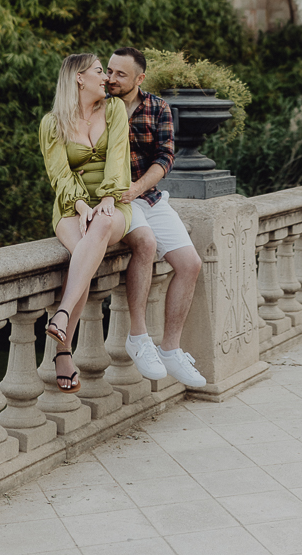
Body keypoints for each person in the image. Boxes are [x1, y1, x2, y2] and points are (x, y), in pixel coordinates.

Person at [106, 47, 206, 388]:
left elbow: (165, 157)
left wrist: (138, 188)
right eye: (109, 71)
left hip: (147, 194)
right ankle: (138, 337)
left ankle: (171, 349)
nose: (112, 79)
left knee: (191, 263)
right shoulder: (99, 104)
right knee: (145, 244)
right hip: (115, 199)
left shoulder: (157, 107)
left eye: (121, 74)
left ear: (139, 78)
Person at [39, 53, 132, 393]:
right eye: (98, 71)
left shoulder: (115, 111)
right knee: (85, 256)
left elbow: (119, 159)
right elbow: (58, 174)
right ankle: (63, 348)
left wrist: (107, 198)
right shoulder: (52, 123)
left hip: (113, 203)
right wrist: (80, 205)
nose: (105, 77)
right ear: (79, 78)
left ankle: (61, 319)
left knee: (103, 225)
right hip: (69, 206)